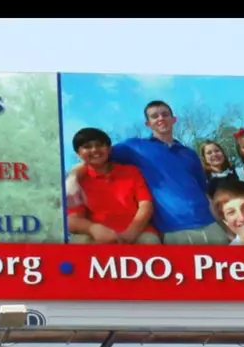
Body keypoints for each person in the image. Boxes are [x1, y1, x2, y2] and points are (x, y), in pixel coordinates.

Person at [75, 101, 226, 246]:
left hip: (211, 225)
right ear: (148, 124)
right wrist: (72, 177)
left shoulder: (189, 153)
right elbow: (97, 155)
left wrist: (222, 223)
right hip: (173, 230)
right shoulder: (134, 147)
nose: (160, 118)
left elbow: (204, 191)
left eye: (165, 114)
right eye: (154, 116)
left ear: (173, 119)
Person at [61, 127, 158, 244]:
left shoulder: (131, 171)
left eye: (99, 145)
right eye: (87, 147)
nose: (95, 150)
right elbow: (72, 220)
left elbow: (146, 205)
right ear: (78, 154)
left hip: (138, 232)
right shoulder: (77, 182)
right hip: (100, 236)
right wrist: (93, 229)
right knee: (78, 242)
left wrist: (131, 232)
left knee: (149, 240)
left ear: (109, 149)